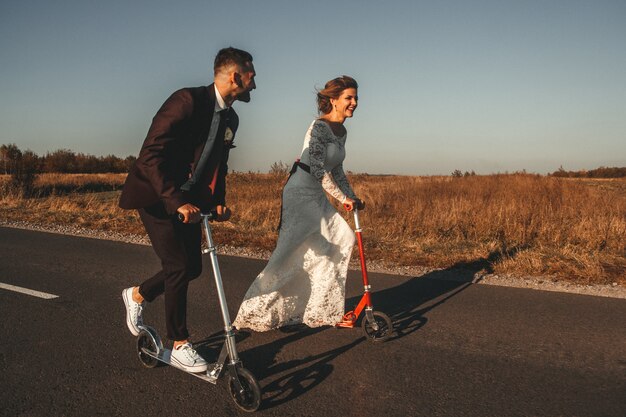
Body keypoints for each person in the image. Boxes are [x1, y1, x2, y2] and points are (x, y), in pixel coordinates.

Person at [119, 47, 256, 372]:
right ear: (235, 76)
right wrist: (174, 200)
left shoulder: (231, 118)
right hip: (155, 194)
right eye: (252, 74)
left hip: (190, 201)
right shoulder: (187, 101)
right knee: (178, 265)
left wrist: (217, 201)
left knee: (192, 268)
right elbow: (149, 155)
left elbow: (218, 164)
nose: (255, 82)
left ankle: (137, 295)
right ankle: (179, 343)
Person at [233, 75, 363, 332]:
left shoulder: (342, 131)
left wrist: (352, 196)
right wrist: (341, 198)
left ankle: (321, 310)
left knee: (342, 241)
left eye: (356, 97)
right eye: (349, 97)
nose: (355, 103)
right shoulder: (319, 128)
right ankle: (251, 311)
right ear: (333, 100)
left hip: (316, 196)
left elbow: (336, 171)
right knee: (288, 256)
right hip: (299, 193)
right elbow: (317, 169)